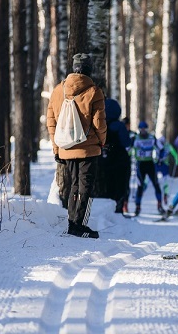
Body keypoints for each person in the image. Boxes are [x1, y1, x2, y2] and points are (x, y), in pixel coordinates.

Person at [47, 53, 107, 238]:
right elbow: (99, 122)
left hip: (65, 147)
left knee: (74, 185)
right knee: (85, 186)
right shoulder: (94, 91)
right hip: (88, 147)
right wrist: (101, 142)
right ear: (89, 69)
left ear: (74, 68)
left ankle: (72, 221)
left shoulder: (58, 90)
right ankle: (79, 225)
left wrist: (57, 148)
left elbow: (51, 121)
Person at [102, 98, 131, 214]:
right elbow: (126, 142)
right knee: (121, 186)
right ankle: (119, 209)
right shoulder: (119, 126)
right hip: (120, 161)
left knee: (109, 185)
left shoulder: (100, 125)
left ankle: (109, 210)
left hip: (105, 160)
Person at [131, 121, 164, 215]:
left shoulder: (151, 137)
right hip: (140, 164)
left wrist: (160, 159)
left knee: (156, 184)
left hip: (150, 163)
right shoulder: (135, 138)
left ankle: (160, 206)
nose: (143, 131)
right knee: (140, 186)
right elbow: (128, 149)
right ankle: (137, 207)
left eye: (145, 129)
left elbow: (161, 148)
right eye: (141, 129)